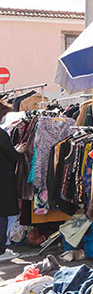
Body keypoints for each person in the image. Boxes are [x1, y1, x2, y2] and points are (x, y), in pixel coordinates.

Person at [0, 101, 26, 260]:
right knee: (2, 215)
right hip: (2, 179)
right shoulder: (1, 134)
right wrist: (20, 150)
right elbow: (12, 155)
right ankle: (1, 250)